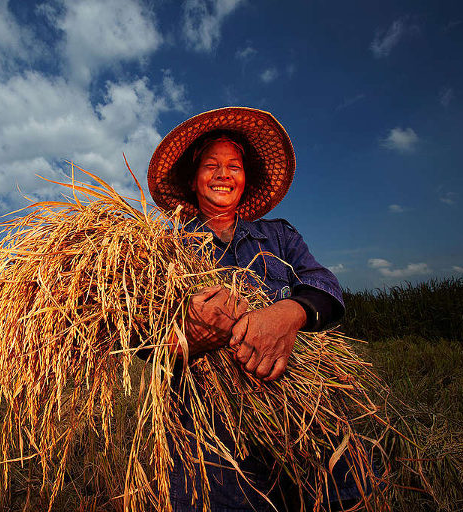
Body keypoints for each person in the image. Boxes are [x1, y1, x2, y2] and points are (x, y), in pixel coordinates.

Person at [146, 107, 347, 511]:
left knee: (332, 490)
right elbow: (138, 340)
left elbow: (327, 289)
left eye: (233, 166)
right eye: (211, 166)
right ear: (193, 179)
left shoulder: (279, 236)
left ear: (245, 179)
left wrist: (288, 314)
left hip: (292, 409)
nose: (223, 174)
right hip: (202, 427)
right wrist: (185, 339)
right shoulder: (163, 248)